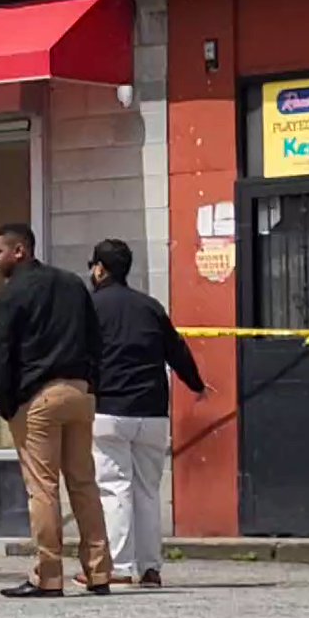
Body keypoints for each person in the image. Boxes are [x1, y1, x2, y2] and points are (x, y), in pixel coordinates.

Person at [0, 223, 113, 598]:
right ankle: (99, 572)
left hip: (38, 398)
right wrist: (92, 385)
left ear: (20, 250)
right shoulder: (74, 285)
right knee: (84, 484)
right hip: (78, 392)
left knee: (42, 488)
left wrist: (7, 403)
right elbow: (96, 340)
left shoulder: (9, 296)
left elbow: (0, 354)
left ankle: (48, 575)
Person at [83, 239, 208, 589]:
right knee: (148, 491)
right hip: (153, 412)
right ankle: (150, 568)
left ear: (99, 269)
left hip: (108, 410)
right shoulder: (150, 306)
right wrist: (196, 384)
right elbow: (177, 350)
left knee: (114, 488)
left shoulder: (90, 306)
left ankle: (120, 568)